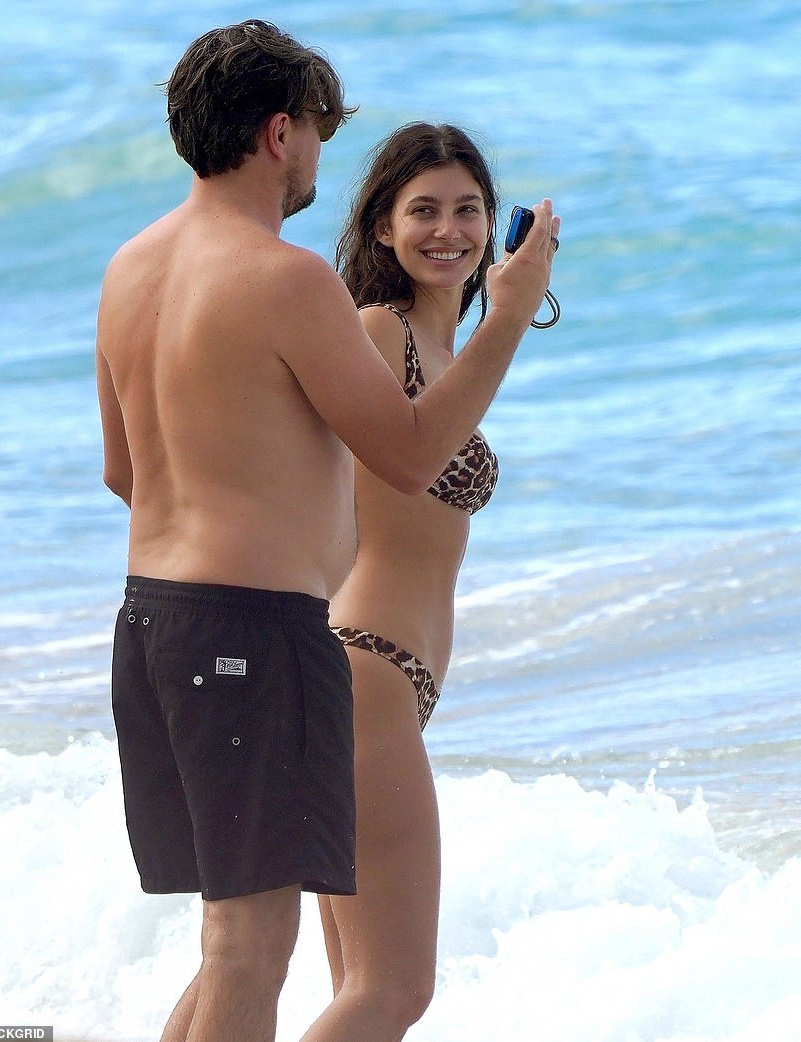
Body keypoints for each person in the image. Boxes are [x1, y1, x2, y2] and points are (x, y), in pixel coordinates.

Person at [95, 18, 560, 1042]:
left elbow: (122, 471)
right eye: (315, 129)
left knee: (234, 944)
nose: (316, 153)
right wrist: (509, 315)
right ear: (279, 133)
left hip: (154, 620)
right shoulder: (287, 277)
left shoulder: (130, 267)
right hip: (254, 629)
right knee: (260, 949)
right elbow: (409, 455)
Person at [304, 123, 553, 1041]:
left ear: (494, 225)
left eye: (468, 209)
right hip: (367, 666)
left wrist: (497, 321)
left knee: (356, 988)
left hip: (378, 679)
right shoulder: (380, 331)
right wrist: (509, 317)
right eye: (423, 211)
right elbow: (401, 464)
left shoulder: (441, 354)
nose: (448, 230)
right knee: (393, 991)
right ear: (381, 226)